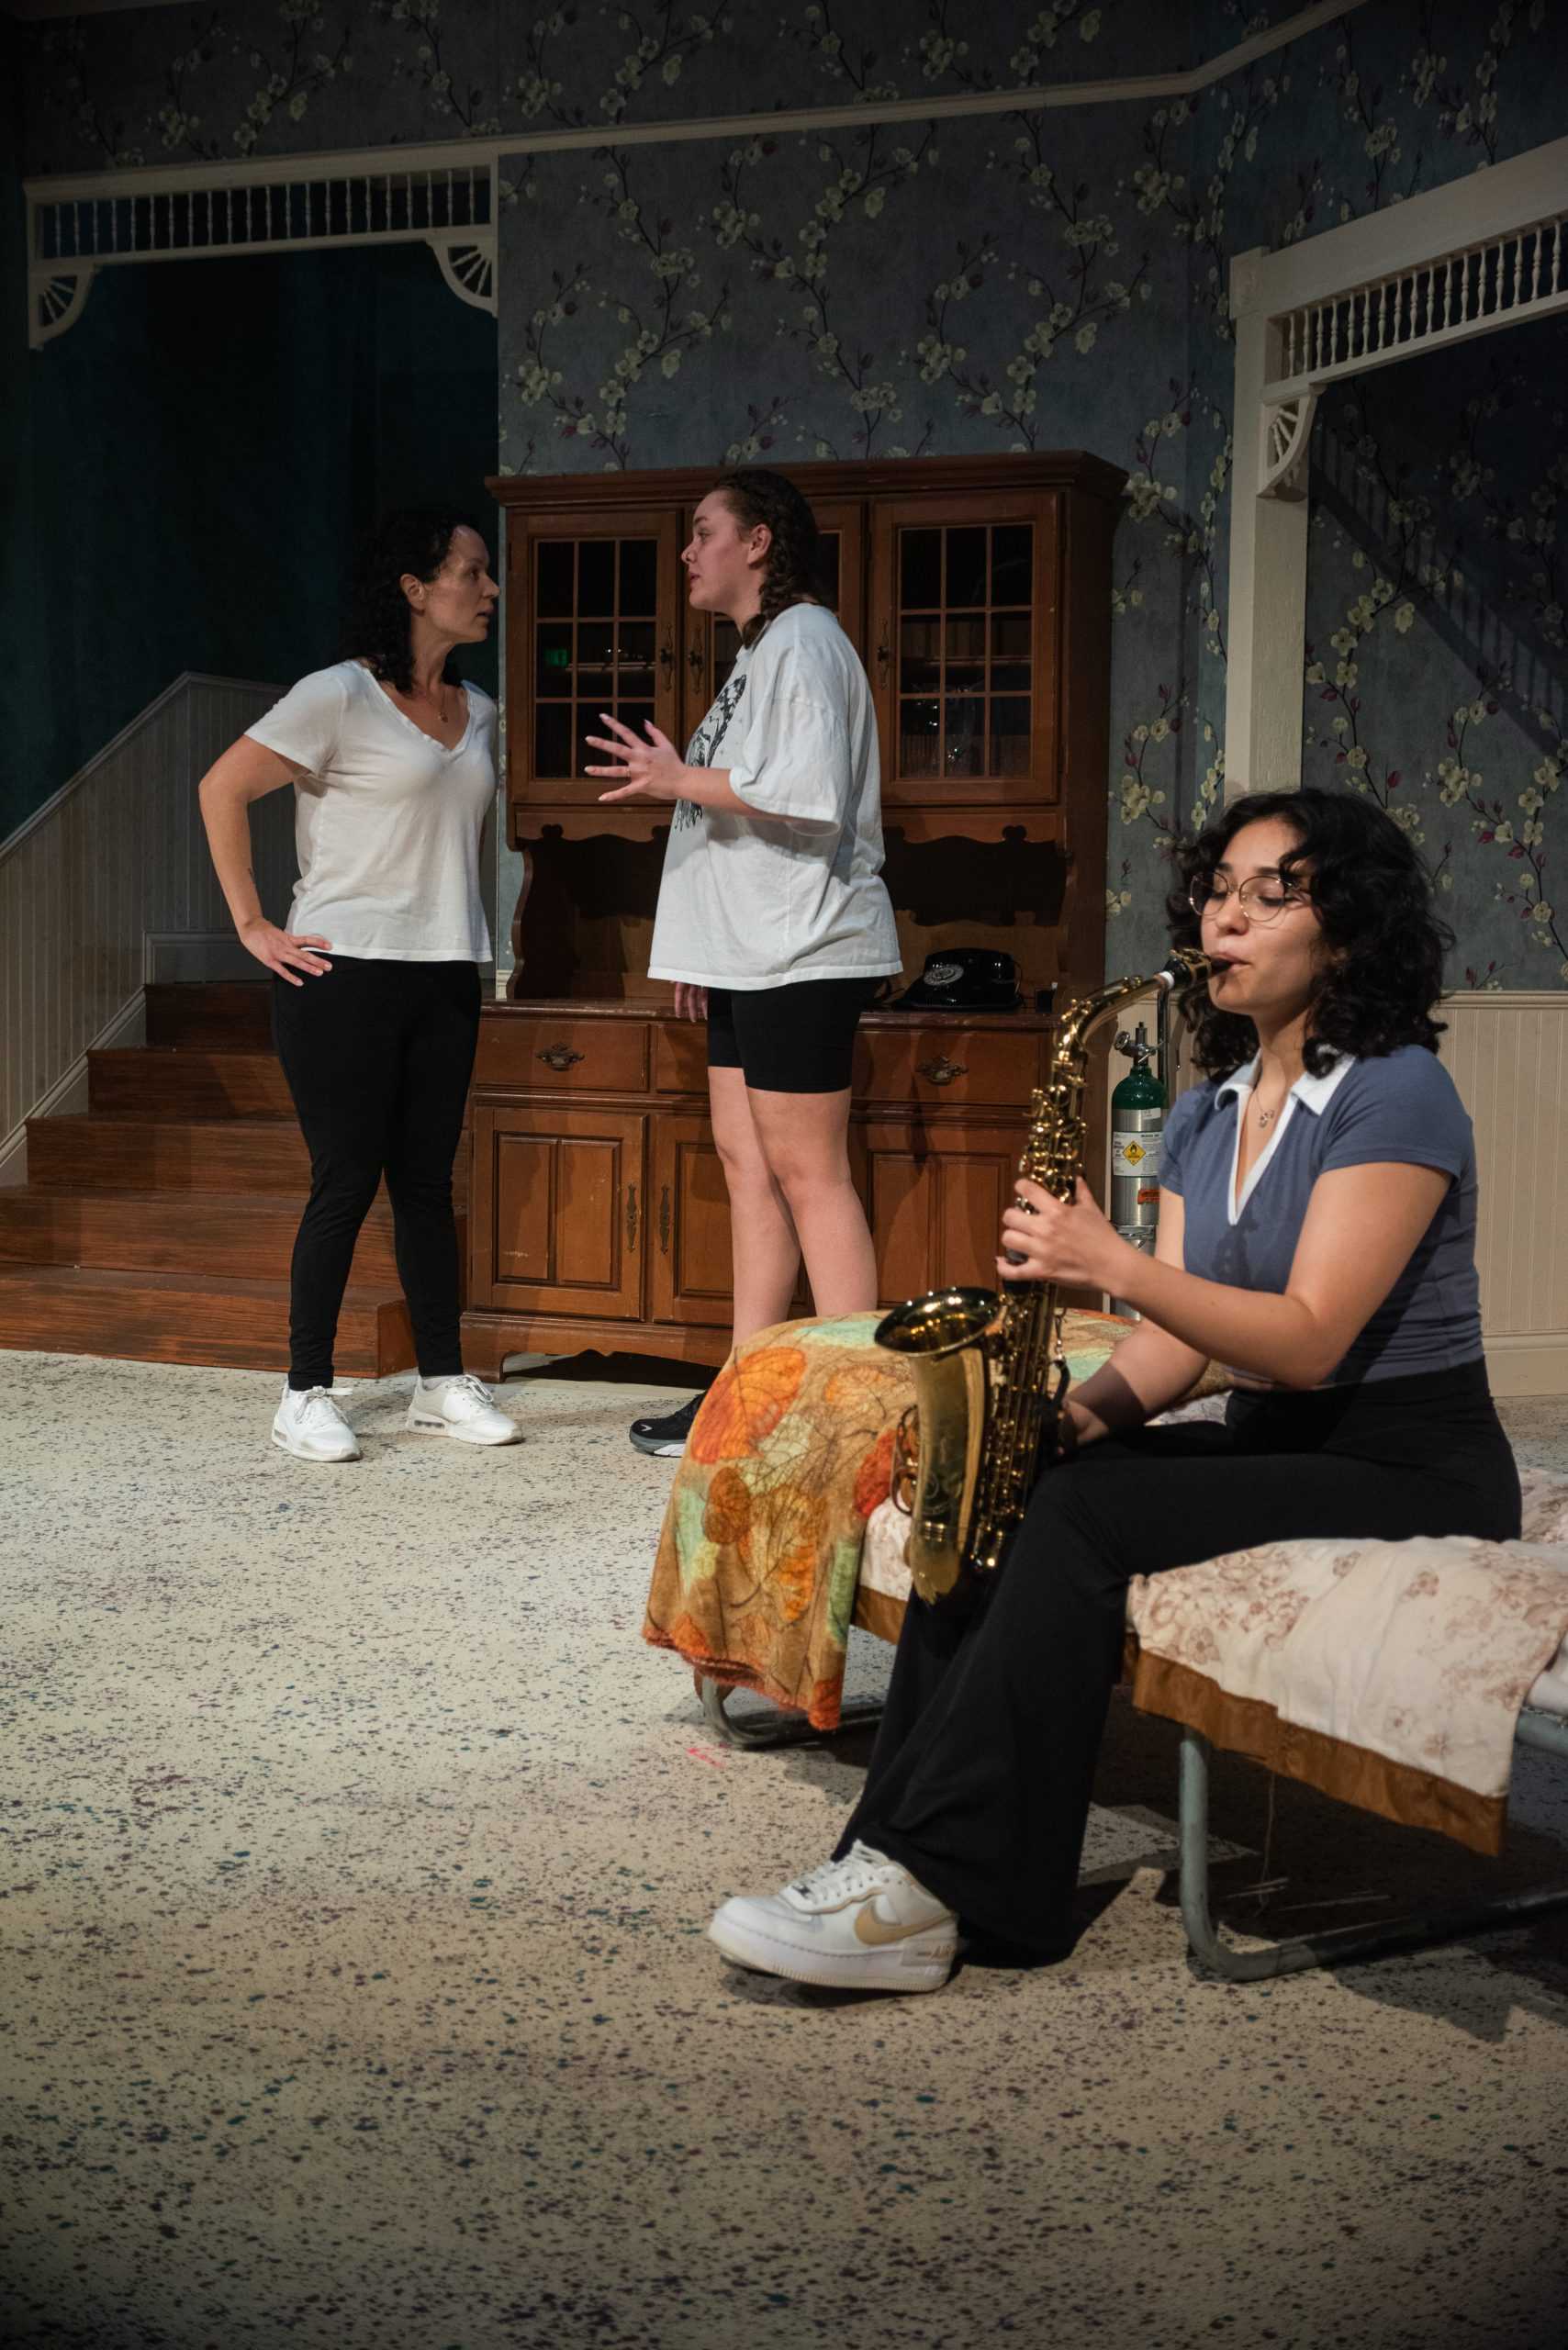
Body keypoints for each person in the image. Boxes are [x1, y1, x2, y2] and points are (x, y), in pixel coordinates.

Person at [705, 787, 1522, 1994]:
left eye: (1270, 894)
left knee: (1082, 1520)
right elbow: (1176, 1351)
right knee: (1016, 1487)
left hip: (1415, 1461)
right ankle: (899, 1863)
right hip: (1283, 1441)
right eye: (1219, 890)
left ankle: (937, 1887)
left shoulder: (1395, 1093)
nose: (1225, 917)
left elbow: (1304, 1343)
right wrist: (1062, 1424)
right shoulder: (1209, 1111)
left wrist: (1110, 1263)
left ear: (1345, 933)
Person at [585, 469, 902, 1458]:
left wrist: (678, 775)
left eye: (703, 532)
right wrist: (706, 946)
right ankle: (746, 1392)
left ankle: (857, 1407)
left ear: (758, 542)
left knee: (810, 1175)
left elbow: (803, 794)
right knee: (745, 1164)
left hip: (805, 948)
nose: (688, 552)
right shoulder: (759, 652)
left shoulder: (804, 639)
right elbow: (743, 804)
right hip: (753, 952)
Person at [197, 510, 521, 1463]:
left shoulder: (482, 712)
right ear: (415, 589)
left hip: (445, 970)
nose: (489, 589)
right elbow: (221, 787)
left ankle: (439, 1379)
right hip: (340, 973)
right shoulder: (336, 695)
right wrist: (252, 924)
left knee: (425, 1182)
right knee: (345, 1180)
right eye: (472, 572)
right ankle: (303, 1391)